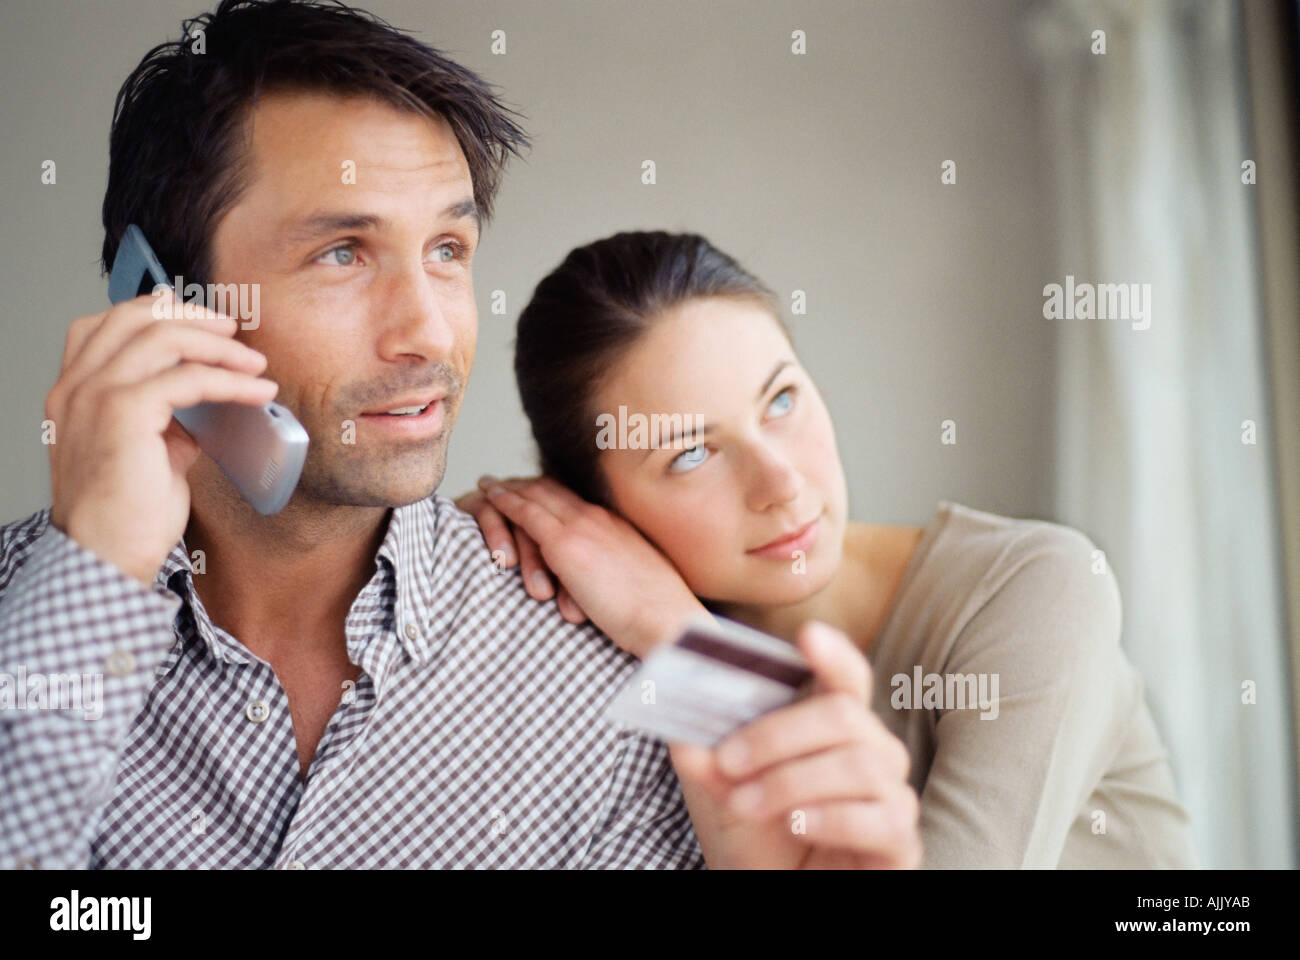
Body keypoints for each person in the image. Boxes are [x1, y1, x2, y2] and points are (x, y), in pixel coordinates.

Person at [0, 0, 920, 870]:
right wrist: (93, 575)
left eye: (448, 251)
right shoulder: (26, 627)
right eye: (342, 254)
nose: (431, 335)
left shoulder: (618, 685)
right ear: (161, 299)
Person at [456, 229, 1203, 868]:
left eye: (781, 401)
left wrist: (668, 627)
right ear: (597, 513)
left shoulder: (1036, 587)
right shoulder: (610, 654)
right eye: (691, 455)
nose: (780, 482)